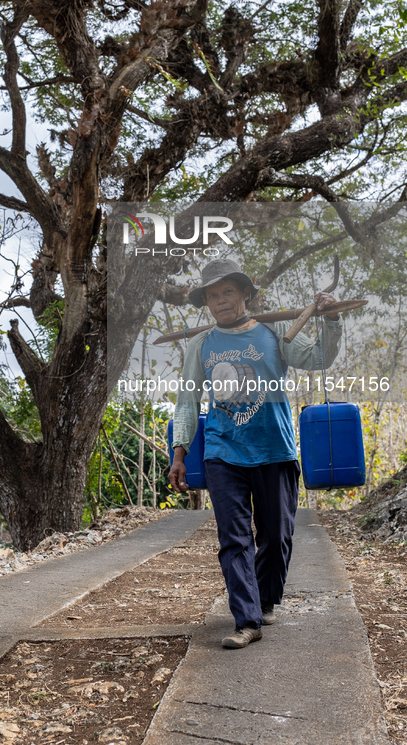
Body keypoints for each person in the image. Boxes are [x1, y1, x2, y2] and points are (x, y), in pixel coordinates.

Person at [168, 258, 342, 649]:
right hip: (222, 451)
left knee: (277, 535)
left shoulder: (275, 328)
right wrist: (179, 454)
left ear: (245, 293)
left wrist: (330, 320)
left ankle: (264, 600)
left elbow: (316, 359)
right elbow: (186, 401)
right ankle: (246, 620)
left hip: (274, 448)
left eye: (227, 291)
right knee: (233, 539)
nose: (220, 301)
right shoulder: (202, 345)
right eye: (212, 295)